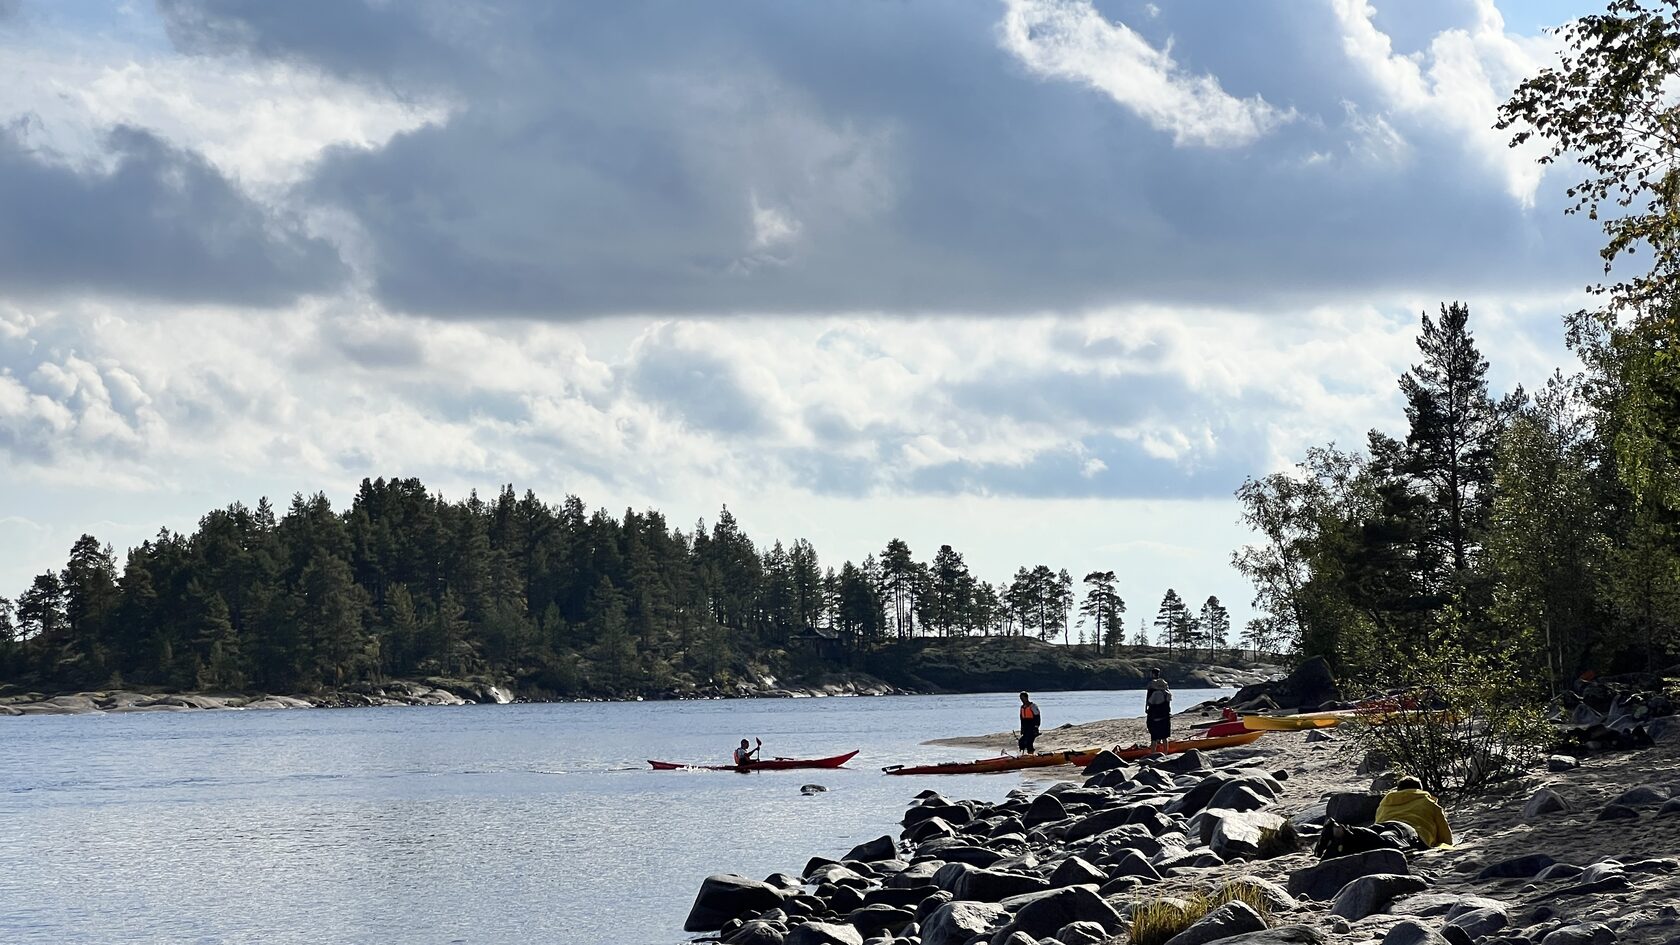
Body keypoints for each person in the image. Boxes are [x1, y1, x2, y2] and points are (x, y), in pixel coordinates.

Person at [1374, 775, 1453, 847]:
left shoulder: (1385, 804)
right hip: (1411, 832)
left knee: (1375, 835)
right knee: (1396, 835)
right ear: (1419, 790)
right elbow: (1445, 837)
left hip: (1381, 827)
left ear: (1398, 790)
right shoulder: (1429, 803)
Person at [1145, 668, 1172, 752]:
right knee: (1164, 737)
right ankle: (1165, 753)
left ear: (1152, 674)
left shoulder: (1151, 685)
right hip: (1165, 714)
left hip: (1153, 714)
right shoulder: (1164, 686)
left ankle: (1153, 753)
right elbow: (1168, 700)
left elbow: (1148, 699)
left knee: (1154, 737)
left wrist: (1146, 708)